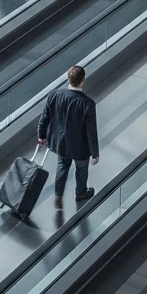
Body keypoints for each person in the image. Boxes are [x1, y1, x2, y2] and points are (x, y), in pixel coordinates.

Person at [38, 64, 99, 210]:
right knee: (81, 169)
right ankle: (80, 193)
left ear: (68, 79)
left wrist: (41, 134)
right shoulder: (87, 104)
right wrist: (95, 153)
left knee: (62, 166)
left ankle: (58, 195)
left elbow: (45, 117)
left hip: (61, 143)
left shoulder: (54, 95)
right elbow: (91, 132)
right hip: (80, 147)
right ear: (83, 80)